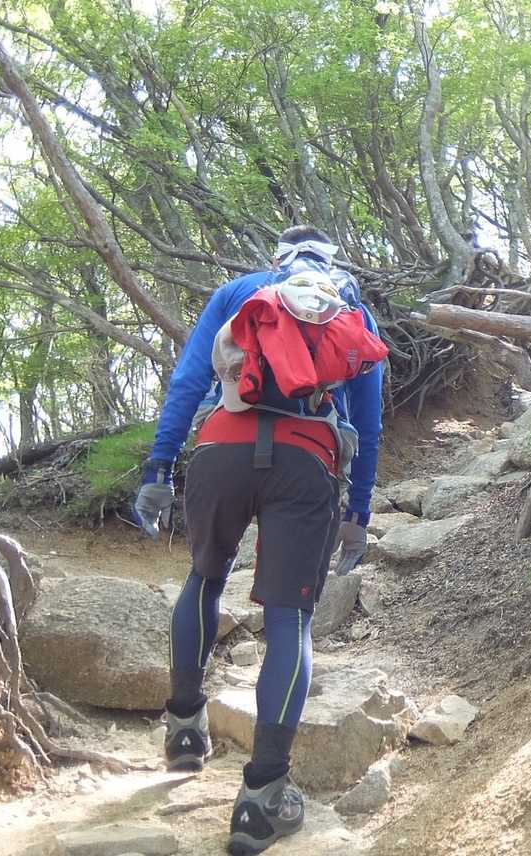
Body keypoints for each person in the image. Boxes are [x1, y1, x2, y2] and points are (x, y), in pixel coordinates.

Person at [131, 225, 385, 856]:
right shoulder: (349, 307)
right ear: (330, 261)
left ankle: (184, 728)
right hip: (307, 458)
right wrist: (358, 510)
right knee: (290, 620)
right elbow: (368, 420)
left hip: (221, 446)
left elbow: (188, 381)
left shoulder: (239, 293)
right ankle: (263, 796)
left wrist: (159, 467)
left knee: (204, 579)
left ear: (277, 258)